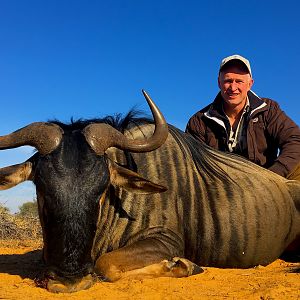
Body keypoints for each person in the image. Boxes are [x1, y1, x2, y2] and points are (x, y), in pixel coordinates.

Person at [185, 54, 300, 180]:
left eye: (239, 81)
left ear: (250, 84)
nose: (233, 88)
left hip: (267, 181)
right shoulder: (198, 121)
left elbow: (295, 140)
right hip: (220, 186)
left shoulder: (268, 109)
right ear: (219, 82)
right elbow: (192, 162)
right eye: (228, 81)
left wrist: (272, 177)